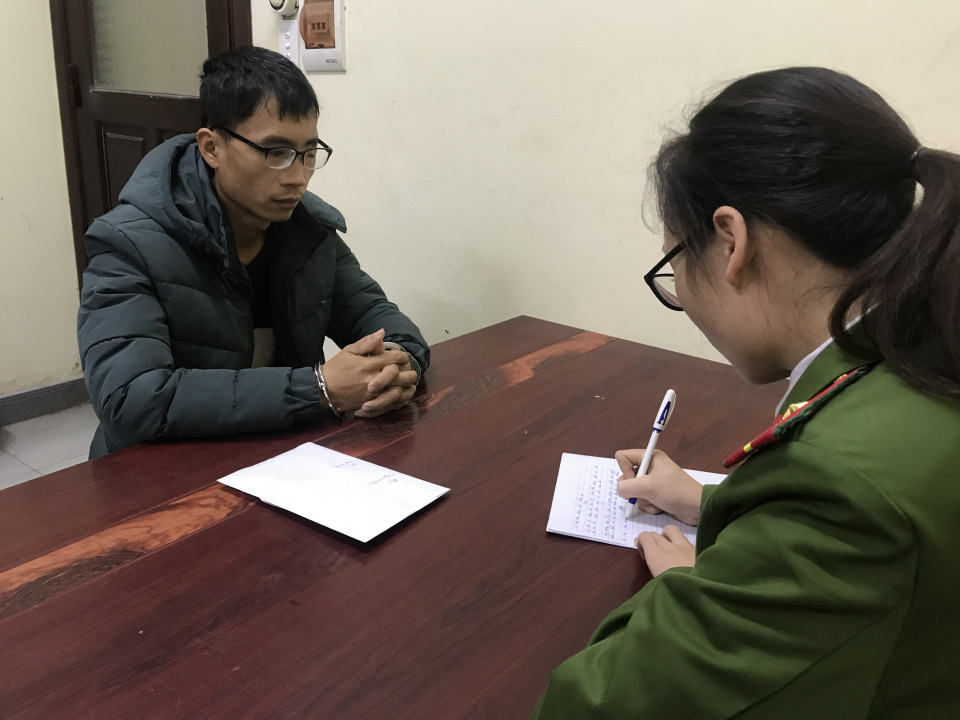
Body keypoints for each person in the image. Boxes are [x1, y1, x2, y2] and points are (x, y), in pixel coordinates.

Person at [532, 67, 960, 718]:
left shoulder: (838, 485)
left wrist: (698, 585)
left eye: (674, 264)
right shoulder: (928, 347)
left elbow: (597, 705)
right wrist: (709, 502)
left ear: (732, 242)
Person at [77, 47, 429, 459]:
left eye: (308, 153)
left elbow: (381, 320)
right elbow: (130, 399)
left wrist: (399, 364)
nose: (297, 178)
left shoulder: (308, 230)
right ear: (211, 147)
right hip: (165, 469)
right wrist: (317, 388)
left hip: (283, 455)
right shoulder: (127, 244)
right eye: (275, 153)